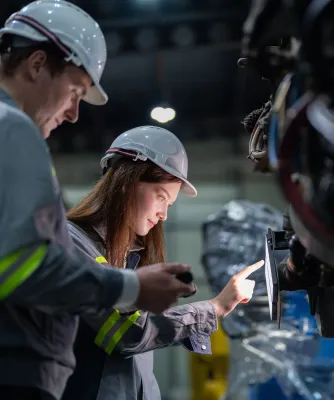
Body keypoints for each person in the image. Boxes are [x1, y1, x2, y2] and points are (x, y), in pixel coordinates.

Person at [0, 2, 194, 399]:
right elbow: (23, 266)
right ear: (37, 64)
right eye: (74, 91)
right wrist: (129, 287)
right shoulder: (13, 130)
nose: (73, 114)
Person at [61, 125, 264, 400]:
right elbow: (126, 332)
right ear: (126, 182)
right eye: (161, 197)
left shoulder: (127, 258)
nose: (164, 215)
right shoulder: (72, 244)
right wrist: (214, 308)